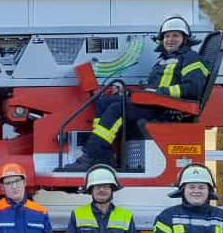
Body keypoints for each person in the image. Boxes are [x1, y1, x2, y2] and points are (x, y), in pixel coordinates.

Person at [68, 16, 211, 169]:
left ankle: (91, 156)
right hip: (155, 104)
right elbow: (151, 90)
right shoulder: (163, 60)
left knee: (117, 109)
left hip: (168, 110)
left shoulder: (192, 59)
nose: (170, 39)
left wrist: (160, 92)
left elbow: (192, 89)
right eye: (167, 36)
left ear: (185, 39)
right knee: (104, 101)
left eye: (175, 35)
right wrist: (127, 92)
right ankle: (104, 155)